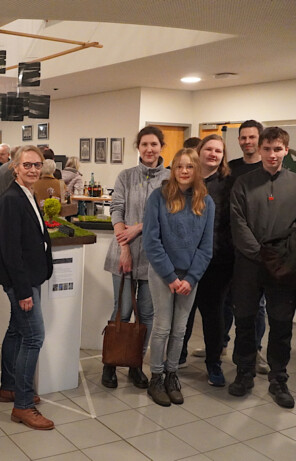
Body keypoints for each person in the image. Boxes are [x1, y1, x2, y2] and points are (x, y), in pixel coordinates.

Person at [228, 126, 296, 409]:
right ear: (260, 150)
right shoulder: (243, 183)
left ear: (286, 151)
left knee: (281, 324)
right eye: (266, 149)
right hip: (249, 263)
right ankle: (244, 372)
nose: (271, 154)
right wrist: (260, 254)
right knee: (244, 320)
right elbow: (238, 222)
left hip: (283, 267)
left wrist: (285, 257)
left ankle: (279, 378)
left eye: (277, 149)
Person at [197, 120, 268, 374]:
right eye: (243, 137)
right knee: (222, 306)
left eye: (252, 137)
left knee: (253, 306)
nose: (248, 142)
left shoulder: (266, 168)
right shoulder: (231, 170)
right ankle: (219, 346)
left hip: (244, 251)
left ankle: (254, 352)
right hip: (216, 252)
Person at [144, 148, 214, 406]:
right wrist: (171, 277)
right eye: (179, 167)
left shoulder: (206, 202)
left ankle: (172, 373)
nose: (184, 171)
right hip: (164, 274)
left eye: (189, 167)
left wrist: (191, 277)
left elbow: (206, 247)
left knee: (180, 329)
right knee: (162, 327)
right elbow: (151, 242)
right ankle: (156, 377)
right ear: (173, 170)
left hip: (189, 277)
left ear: (196, 171)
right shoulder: (158, 198)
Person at [102, 126, 170, 389]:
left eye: (154, 144)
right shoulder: (126, 176)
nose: (149, 149)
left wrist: (139, 228)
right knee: (122, 311)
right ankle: (110, 364)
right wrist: (125, 247)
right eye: (144, 145)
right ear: (138, 147)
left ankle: (134, 364)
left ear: (161, 146)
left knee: (147, 315)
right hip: (123, 254)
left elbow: (167, 215)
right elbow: (116, 210)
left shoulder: (170, 179)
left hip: (154, 258)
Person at [0, 145, 54, 430]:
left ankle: (9, 387)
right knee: (34, 337)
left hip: (31, 277)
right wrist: (22, 292)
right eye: (27, 165)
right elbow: (10, 251)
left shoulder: (29, 194)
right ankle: (23, 404)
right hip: (22, 282)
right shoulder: (10, 200)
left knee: (17, 331)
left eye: (37, 165)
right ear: (15, 167)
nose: (33, 169)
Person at [178, 135, 234, 387]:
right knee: (184, 312)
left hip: (217, 260)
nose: (213, 154)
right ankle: (177, 356)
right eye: (208, 149)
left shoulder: (230, 184)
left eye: (218, 151)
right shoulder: (187, 179)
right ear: (199, 152)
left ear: (223, 156)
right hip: (185, 259)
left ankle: (214, 363)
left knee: (213, 314)